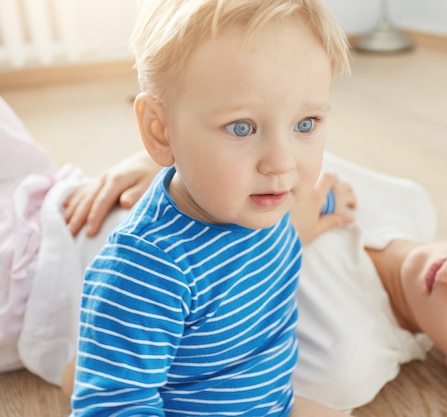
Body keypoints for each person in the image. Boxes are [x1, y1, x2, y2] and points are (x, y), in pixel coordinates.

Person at [2, 93, 447, 416]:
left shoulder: (344, 360)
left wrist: (288, 231)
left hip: (27, 289)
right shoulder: (410, 203)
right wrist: (157, 161)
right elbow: (253, 147)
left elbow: (130, 374)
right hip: (54, 188)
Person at [68, 0, 352, 415]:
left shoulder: (266, 202)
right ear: (160, 131)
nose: (281, 163)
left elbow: (279, 236)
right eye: (242, 127)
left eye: (305, 124)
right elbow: (113, 407)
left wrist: (331, 199)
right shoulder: (148, 270)